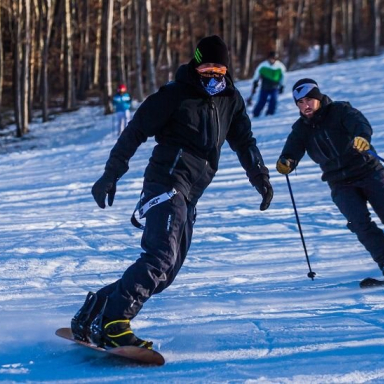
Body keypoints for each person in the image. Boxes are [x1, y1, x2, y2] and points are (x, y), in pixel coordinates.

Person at [71, 35, 274, 349]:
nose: (213, 75)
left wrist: (260, 176)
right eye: (207, 68)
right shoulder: (174, 95)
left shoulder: (230, 100)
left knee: (166, 272)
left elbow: (245, 142)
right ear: (195, 65)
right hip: (166, 183)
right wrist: (111, 175)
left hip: (191, 194)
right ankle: (114, 322)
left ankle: (94, 311)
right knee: (160, 256)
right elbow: (135, 130)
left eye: (219, 69)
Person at [276, 78, 384, 276]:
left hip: (369, 171)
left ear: (318, 97)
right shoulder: (300, 129)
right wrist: (286, 162)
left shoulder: (340, 110)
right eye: (300, 102)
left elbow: (360, 123)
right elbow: (291, 151)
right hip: (340, 183)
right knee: (360, 225)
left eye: (309, 100)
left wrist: (362, 137)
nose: (305, 106)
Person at [246, 51, 286, 118]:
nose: (272, 60)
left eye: (273, 58)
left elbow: (284, 76)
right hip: (265, 86)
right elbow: (257, 74)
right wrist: (255, 82)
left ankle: (270, 113)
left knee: (273, 100)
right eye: (271, 58)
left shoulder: (280, 66)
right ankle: (256, 113)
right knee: (262, 100)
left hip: (274, 86)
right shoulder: (263, 65)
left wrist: (282, 85)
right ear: (268, 58)